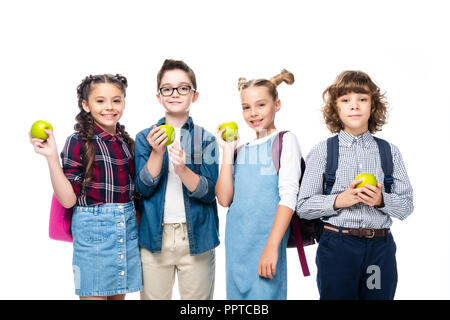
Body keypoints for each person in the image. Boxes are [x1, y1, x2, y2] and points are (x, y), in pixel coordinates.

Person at [296, 70, 414, 300]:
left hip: (379, 250)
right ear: (336, 109)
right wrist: (340, 200)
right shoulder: (322, 151)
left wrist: (381, 200)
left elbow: (407, 205)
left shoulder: (389, 152)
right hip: (337, 248)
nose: (354, 106)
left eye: (362, 99)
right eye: (345, 100)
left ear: (373, 106)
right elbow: (303, 205)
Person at [30, 74, 142, 300]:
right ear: (85, 105)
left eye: (116, 100)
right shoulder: (78, 141)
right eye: (100, 101)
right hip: (93, 232)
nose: (109, 107)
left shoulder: (127, 142)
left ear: (124, 103)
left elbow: (135, 195)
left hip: (125, 228)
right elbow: (69, 200)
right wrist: (52, 158)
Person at [135, 59, 219, 300]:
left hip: (197, 238)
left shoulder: (205, 139)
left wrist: (182, 170)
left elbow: (208, 192)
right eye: (167, 88)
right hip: (154, 238)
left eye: (183, 88)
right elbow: (142, 189)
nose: (175, 94)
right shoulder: (144, 138)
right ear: (159, 96)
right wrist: (157, 152)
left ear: (195, 95)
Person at [215, 70, 302, 300]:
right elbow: (224, 200)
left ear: (277, 104)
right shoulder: (241, 149)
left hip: (266, 245)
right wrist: (226, 151)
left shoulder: (285, 140)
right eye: (246, 107)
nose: (253, 113)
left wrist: (272, 247)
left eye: (261, 105)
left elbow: (289, 197)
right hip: (236, 248)